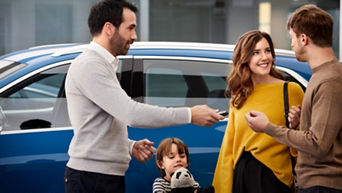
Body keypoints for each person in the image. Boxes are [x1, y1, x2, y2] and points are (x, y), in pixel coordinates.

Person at [64, 1, 224, 193]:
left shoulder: (102, 65)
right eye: (130, 28)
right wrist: (190, 114)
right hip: (92, 178)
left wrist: (128, 146)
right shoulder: (91, 66)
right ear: (109, 28)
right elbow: (131, 113)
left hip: (99, 177)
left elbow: (98, 123)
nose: (134, 36)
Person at [245, 4, 342, 193]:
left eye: (293, 38)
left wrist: (268, 127)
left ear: (304, 38)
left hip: (322, 186)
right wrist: (300, 124)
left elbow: (318, 145)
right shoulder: (321, 76)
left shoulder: (330, 80)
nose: (292, 45)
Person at [212, 30, 304, 193]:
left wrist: (296, 126)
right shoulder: (239, 94)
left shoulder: (290, 90)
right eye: (256, 53)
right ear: (245, 58)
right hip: (243, 177)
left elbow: (308, 140)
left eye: (267, 51)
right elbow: (229, 146)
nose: (264, 57)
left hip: (275, 179)